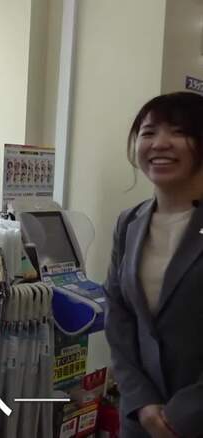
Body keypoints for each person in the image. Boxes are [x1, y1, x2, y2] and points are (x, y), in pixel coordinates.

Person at [106, 91, 203, 438]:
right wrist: (142, 402)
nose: (160, 143)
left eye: (179, 132)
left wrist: (182, 415)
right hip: (141, 419)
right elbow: (118, 316)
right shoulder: (129, 223)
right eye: (148, 133)